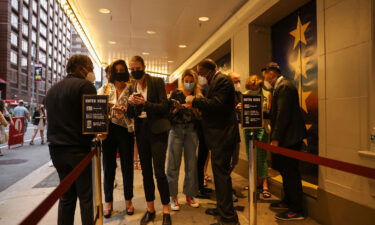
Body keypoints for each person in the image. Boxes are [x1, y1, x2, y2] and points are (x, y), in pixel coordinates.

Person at [187, 58, 240, 225]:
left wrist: (194, 100)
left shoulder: (222, 80)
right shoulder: (214, 81)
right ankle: (223, 208)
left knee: (222, 177)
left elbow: (218, 104)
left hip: (223, 136)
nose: (201, 77)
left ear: (211, 70)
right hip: (217, 136)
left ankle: (228, 218)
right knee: (219, 177)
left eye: (202, 73)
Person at [46, 54, 97, 225]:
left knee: (66, 197)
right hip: (78, 150)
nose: (92, 71)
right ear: (80, 68)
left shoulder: (53, 89)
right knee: (85, 197)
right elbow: (93, 121)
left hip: (56, 151)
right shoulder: (86, 86)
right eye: (90, 67)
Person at [127, 55, 172, 225]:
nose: (134, 71)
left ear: (144, 67)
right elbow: (131, 116)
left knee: (159, 171)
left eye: (137, 68)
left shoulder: (157, 82)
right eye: (132, 69)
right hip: (142, 132)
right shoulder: (133, 87)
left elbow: (164, 107)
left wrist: (145, 103)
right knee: (146, 173)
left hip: (158, 131)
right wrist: (131, 104)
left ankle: (166, 209)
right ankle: (150, 209)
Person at [263, 62, 307, 221]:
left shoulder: (284, 87)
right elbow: (277, 113)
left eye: (265, 76)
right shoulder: (280, 87)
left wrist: (275, 139)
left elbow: (283, 115)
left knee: (291, 173)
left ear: (272, 74)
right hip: (286, 138)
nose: (265, 80)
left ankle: (296, 209)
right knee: (285, 172)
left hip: (289, 139)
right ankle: (288, 201)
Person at [99, 59, 135, 218]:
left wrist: (126, 110)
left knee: (128, 167)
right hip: (109, 130)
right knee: (108, 167)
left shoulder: (132, 88)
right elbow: (97, 105)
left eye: (122, 70)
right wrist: (107, 106)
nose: (120, 73)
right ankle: (108, 202)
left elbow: (137, 110)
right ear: (112, 72)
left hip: (126, 130)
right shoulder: (105, 88)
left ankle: (128, 200)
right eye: (117, 70)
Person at [166, 69, 201, 211]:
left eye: (191, 81)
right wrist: (178, 109)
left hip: (192, 131)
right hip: (176, 130)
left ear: (195, 81)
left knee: (191, 164)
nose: (188, 84)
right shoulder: (176, 94)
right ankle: (173, 196)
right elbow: (167, 114)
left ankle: (190, 194)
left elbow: (200, 117)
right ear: (182, 81)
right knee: (173, 164)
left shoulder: (198, 96)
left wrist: (193, 108)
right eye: (186, 81)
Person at [242, 75, 272, 198]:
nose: (254, 89)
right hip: (248, 128)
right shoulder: (245, 94)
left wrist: (262, 110)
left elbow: (270, 112)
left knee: (261, 156)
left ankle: (265, 184)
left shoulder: (267, 94)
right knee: (251, 156)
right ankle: (254, 182)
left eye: (256, 87)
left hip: (262, 128)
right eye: (251, 87)